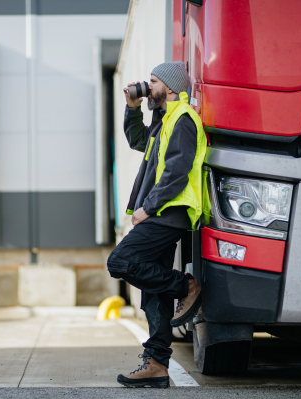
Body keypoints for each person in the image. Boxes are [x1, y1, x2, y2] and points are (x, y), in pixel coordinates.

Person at [107, 61, 207, 388]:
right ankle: (157, 365)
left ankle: (185, 286)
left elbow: (177, 172)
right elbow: (137, 140)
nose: (148, 87)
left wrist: (147, 209)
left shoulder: (183, 119)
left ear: (170, 85)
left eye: (152, 82)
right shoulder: (163, 121)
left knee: (120, 261)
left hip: (168, 213)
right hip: (161, 212)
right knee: (153, 291)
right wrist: (132, 108)